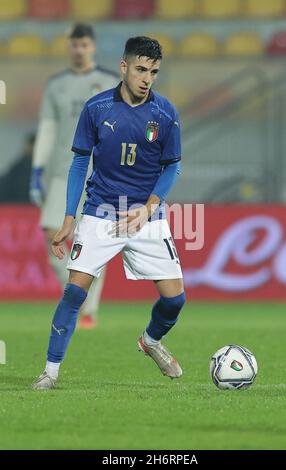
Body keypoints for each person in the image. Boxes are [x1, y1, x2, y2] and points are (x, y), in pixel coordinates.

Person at [32, 36, 186, 390]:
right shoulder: (97, 108)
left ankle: (150, 341)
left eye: (154, 72)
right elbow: (79, 162)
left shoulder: (165, 114)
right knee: (74, 292)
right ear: (124, 67)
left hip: (146, 217)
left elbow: (172, 167)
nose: (147, 78)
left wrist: (149, 208)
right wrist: (69, 217)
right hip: (100, 213)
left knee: (175, 299)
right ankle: (50, 372)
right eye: (141, 69)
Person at [30, 23, 119, 329]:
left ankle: (88, 310)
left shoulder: (109, 81)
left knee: (93, 240)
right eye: (74, 45)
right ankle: (75, 294)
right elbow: (48, 128)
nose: (78, 50)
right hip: (60, 170)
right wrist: (37, 168)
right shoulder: (56, 85)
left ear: (92, 47)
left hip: (99, 172)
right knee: (50, 232)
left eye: (83, 45)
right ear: (68, 47)